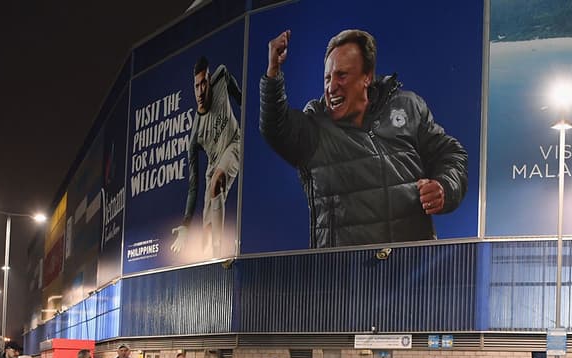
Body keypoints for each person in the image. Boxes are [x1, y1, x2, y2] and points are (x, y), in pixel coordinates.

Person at [259, 28, 468, 248]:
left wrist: (444, 186)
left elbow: (452, 155)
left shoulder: (408, 107)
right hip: (345, 274)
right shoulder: (315, 127)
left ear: (367, 77)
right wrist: (273, 73)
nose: (331, 87)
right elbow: (276, 128)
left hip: (412, 270)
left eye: (342, 75)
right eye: (327, 77)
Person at [176, 56, 243, 258]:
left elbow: (236, 91)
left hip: (234, 143)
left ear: (209, 78)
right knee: (205, 235)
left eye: (204, 82)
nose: (201, 90)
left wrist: (244, 104)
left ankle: (221, 253)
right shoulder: (195, 136)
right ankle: (213, 259)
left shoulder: (221, 76)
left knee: (216, 182)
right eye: (197, 86)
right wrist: (186, 224)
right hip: (212, 166)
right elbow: (194, 185)